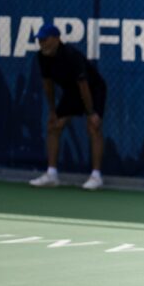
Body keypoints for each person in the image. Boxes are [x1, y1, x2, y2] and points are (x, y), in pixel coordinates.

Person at [28, 24, 107, 191]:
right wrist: (52, 110)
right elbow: (47, 85)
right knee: (53, 126)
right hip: (73, 91)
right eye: (40, 40)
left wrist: (91, 113)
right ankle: (52, 174)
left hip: (94, 89)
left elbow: (84, 85)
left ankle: (96, 176)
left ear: (57, 39)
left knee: (93, 127)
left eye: (45, 40)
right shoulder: (42, 57)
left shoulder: (71, 55)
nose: (42, 43)